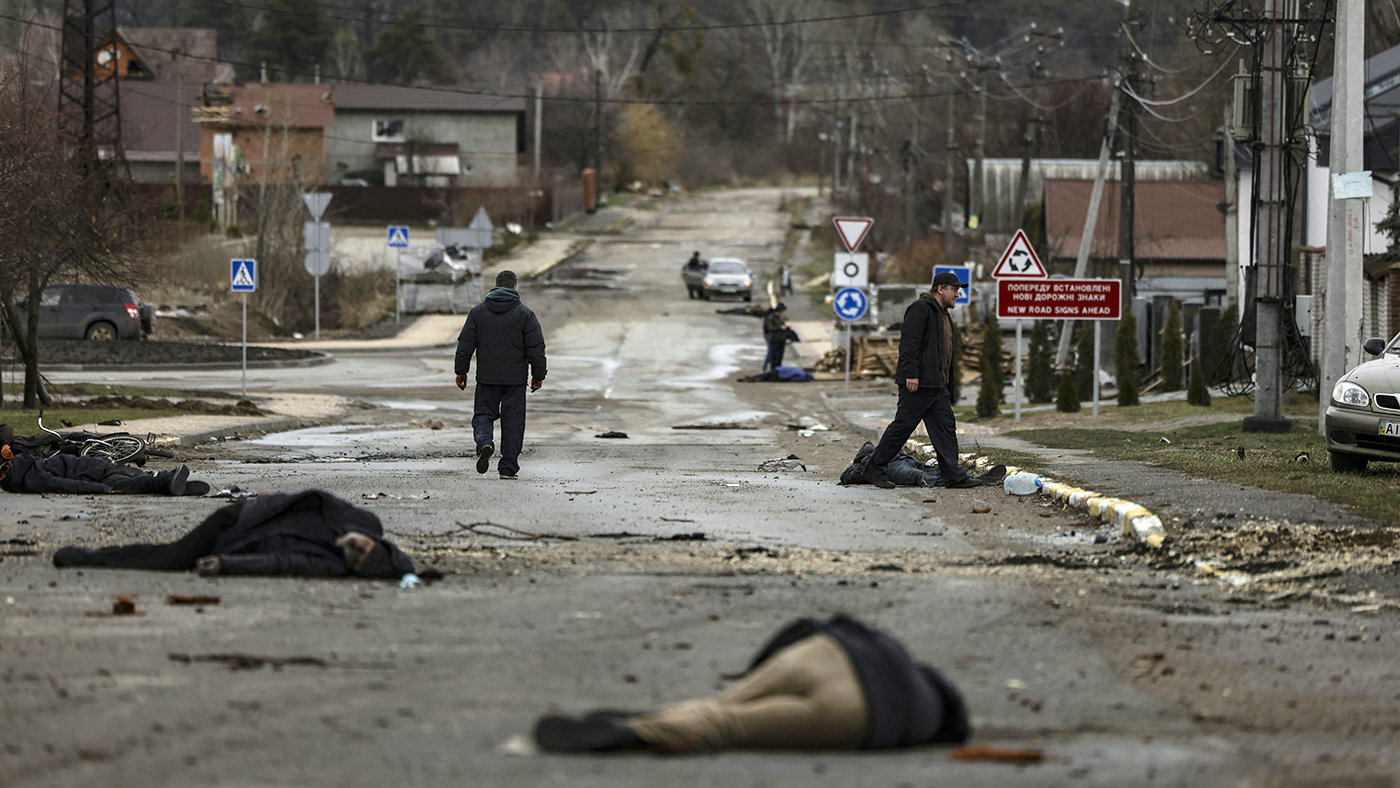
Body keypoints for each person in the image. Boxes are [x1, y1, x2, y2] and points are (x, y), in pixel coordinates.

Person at [533, 614, 970, 753]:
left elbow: (805, 626)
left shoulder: (895, 651)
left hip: (826, 651)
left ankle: (681, 713)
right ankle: (643, 731)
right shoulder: (924, 720)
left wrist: (755, 673)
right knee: (731, 726)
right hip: (857, 710)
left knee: (726, 703)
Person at [51, 489, 416, 578]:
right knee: (171, 558)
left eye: (356, 560)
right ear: (371, 540)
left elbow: (280, 562)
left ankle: (92, 557)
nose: (352, 552)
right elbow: (319, 497)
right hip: (241, 517)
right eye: (362, 548)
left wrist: (225, 564)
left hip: (233, 542)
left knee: (172, 558)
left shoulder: (332, 565)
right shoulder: (363, 520)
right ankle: (91, 557)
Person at [863, 271, 978, 490]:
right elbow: (909, 343)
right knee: (902, 428)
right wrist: (911, 374)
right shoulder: (921, 308)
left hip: (937, 385)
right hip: (919, 384)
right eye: (954, 290)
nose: (957, 294)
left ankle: (953, 475)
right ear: (941, 289)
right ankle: (873, 468)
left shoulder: (943, 314)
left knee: (945, 428)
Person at [454, 270, 547, 480]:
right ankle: (508, 468)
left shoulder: (478, 312)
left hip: (487, 378)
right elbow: (536, 348)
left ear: (496, 286)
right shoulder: (525, 314)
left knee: (483, 414)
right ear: (515, 287)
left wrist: (461, 371)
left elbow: (465, 344)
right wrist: (538, 375)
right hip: (515, 380)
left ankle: (485, 442)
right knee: (513, 422)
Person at [1, 441, 207, 496]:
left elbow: (66, 485)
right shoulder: (32, 461)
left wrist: (102, 490)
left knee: (131, 486)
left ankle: (167, 479)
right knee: (140, 476)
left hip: (99, 476)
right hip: (103, 465)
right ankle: (173, 484)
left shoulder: (32, 479)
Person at [762, 303, 789, 373]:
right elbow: (770, 328)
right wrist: (780, 328)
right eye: (780, 312)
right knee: (773, 354)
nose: (781, 313)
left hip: (781, 338)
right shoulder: (771, 317)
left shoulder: (779, 318)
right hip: (774, 338)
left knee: (780, 355)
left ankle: (778, 369)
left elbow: (781, 324)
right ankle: (767, 369)